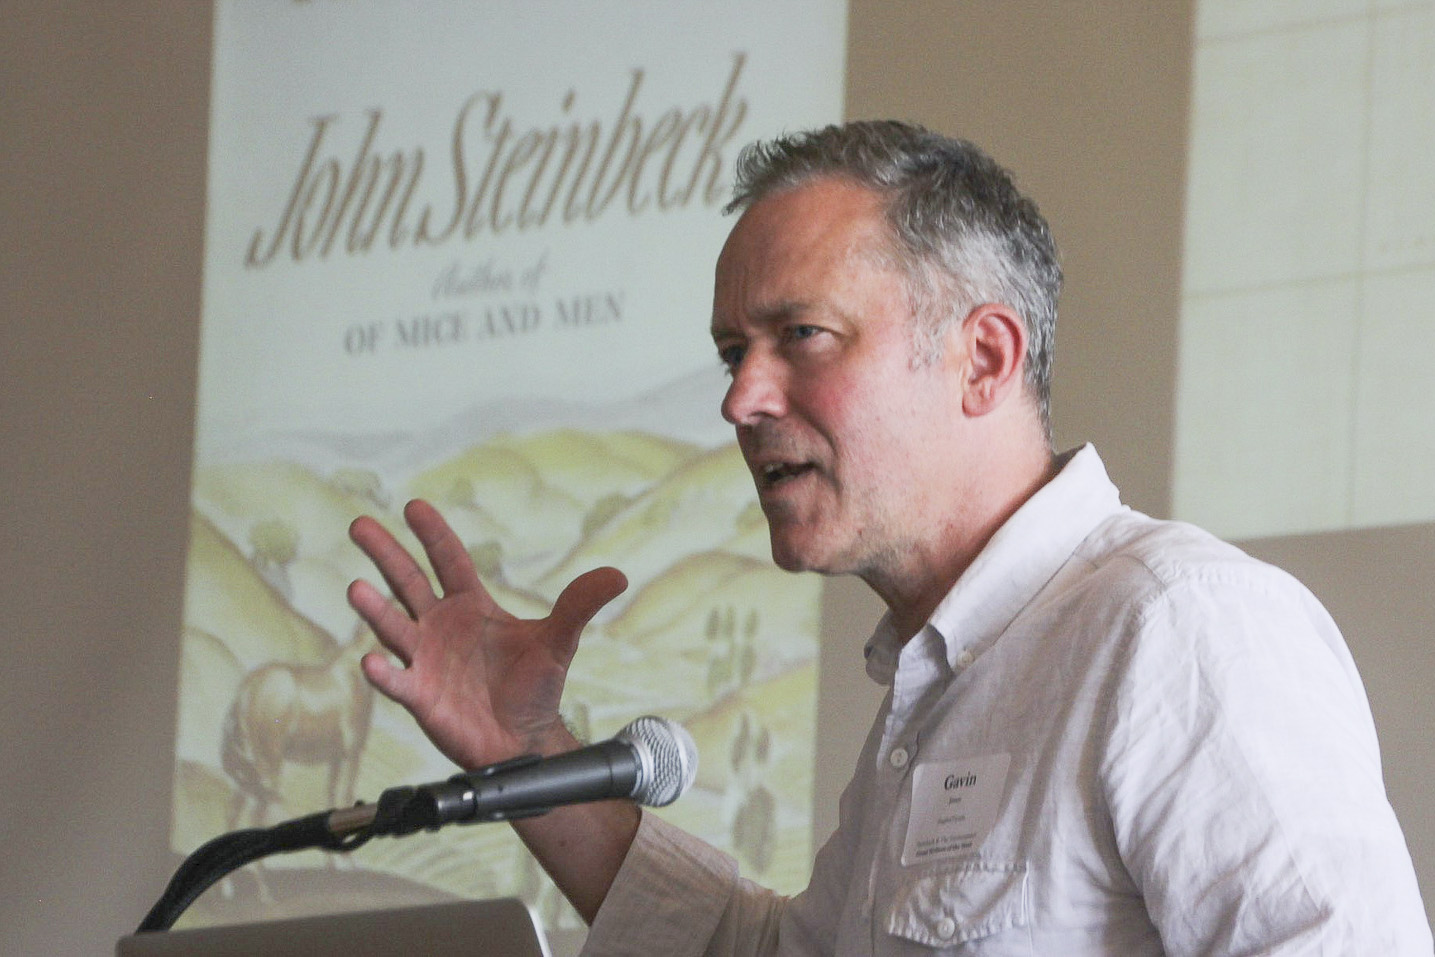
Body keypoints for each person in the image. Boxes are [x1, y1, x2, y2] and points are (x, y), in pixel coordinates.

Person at [347, 121, 1432, 954]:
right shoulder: (947, 679)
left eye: (800, 337)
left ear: (983, 360)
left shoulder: (1179, 629)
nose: (740, 401)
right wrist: (526, 756)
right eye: (732, 351)